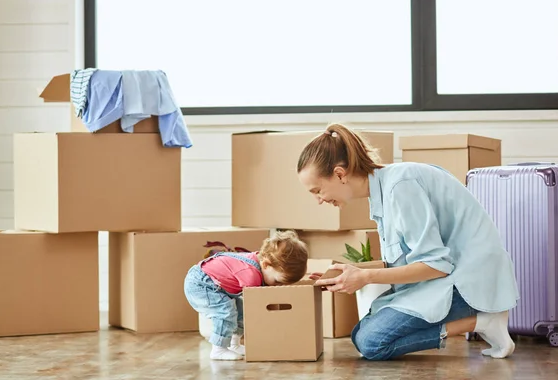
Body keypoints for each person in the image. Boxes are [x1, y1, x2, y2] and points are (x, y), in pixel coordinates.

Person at [296, 123, 519, 361]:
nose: (319, 200)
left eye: (317, 190)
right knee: (361, 335)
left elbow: (436, 266)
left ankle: (482, 321)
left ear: (340, 174)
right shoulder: (385, 189)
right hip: (448, 276)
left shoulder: (400, 186)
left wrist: (366, 277)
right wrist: (345, 275)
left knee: (372, 343)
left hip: (469, 281)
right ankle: (481, 321)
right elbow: (404, 260)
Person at [183, 230, 308, 360]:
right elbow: (257, 303)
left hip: (217, 286)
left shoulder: (261, 263)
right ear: (266, 264)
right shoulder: (251, 275)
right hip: (201, 284)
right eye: (277, 282)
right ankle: (218, 349)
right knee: (225, 311)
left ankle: (234, 344)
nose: (277, 286)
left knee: (241, 311)